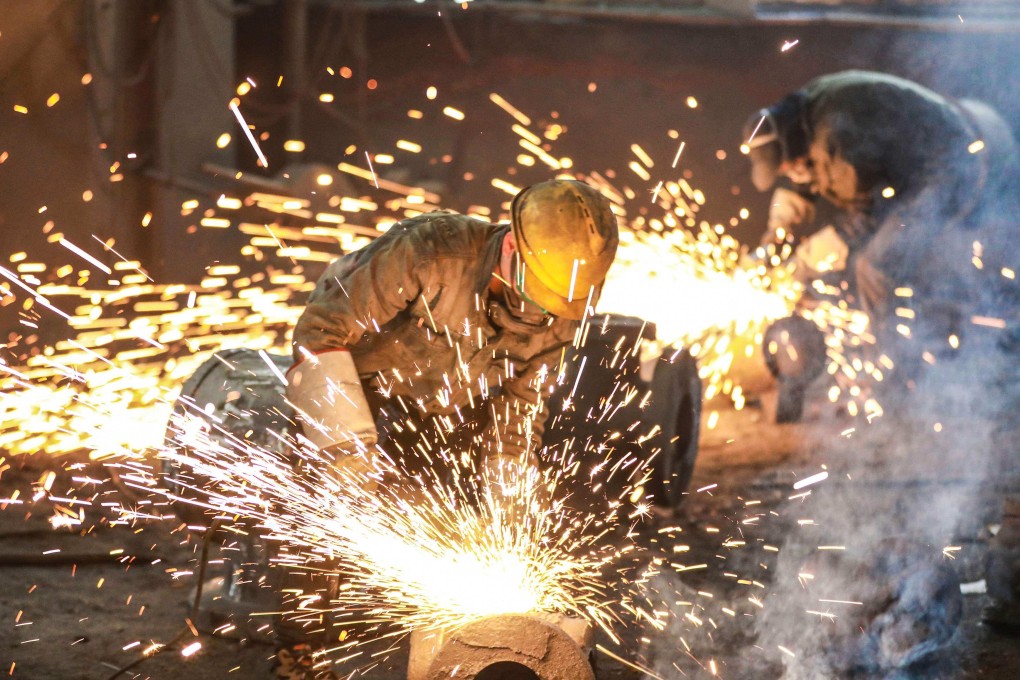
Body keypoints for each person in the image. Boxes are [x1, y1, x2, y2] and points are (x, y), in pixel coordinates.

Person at [271, 178, 619, 678]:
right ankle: (298, 653)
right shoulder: (431, 253)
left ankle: (443, 645)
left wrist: (510, 508)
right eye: (537, 295)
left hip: (444, 414)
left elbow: (520, 412)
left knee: (465, 521)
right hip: (355, 391)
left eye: (554, 307)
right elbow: (319, 332)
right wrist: (347, 451)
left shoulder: (563, 313)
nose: (541, 316)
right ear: (511, 247)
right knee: (324, 513)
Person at [743, 71, 1020, 640]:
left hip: (955, 173)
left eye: (795, 168)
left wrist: (834, 253)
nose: (795, 177)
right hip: (935, 155)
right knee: (844, 259)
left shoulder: (838, 131)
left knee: (875, 264)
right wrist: (776, 239)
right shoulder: (802, 117)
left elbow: (868, 215)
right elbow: (802, 180)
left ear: (799, 147)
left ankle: (898, 374)